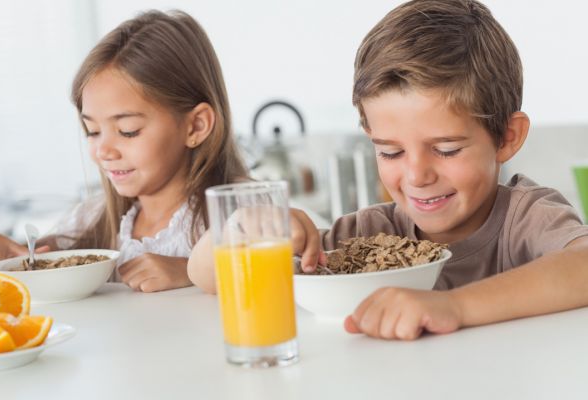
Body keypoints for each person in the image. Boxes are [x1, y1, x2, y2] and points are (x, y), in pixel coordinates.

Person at [188, 0, 588, 340]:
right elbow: (205, 275)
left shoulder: (525, 218)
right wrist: (244, 227)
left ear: (506, 136)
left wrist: (454, 307)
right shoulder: (370, 237)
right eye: (391, 152)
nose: (416, 175)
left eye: (446, 149)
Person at [0, 10, 248, 292]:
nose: (103, 151)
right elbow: (39, 267)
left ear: (195, 126)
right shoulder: (93, 218)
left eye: (128, 131)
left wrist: (191, 271)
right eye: (92, 131)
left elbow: (284, 273)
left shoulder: (242, 214)